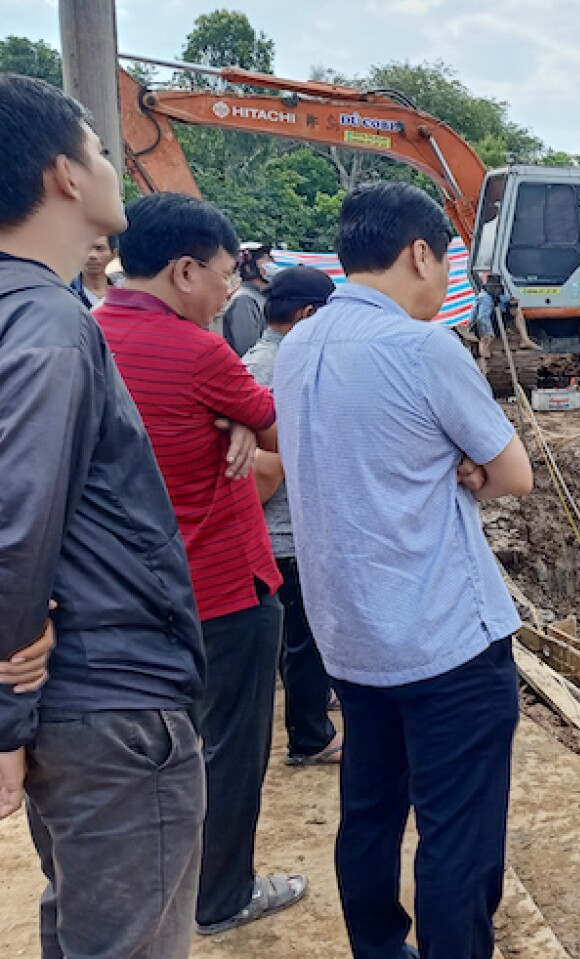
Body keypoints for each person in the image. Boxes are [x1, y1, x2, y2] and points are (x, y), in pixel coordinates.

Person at [274, 180, 534, 959]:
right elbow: (514, 471)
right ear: (420, 253)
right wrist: (467, 467)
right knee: (457, 835)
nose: (449, 280)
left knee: (371, 813)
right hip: (446, 640)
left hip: (350, 638)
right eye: (447, 261)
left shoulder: (297, 346)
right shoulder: (423, 348)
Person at [0, 73, 206, 959]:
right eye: (99, 149)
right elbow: (17, 519)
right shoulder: (48, 328)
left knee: (81, 924)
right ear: (64, 176)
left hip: (71, 703)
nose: (116, 165)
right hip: (109, 703)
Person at [95, 192, 305, 935]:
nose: (230, 290)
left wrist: (241, 431)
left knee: (163, 752)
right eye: (223, 274)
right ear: (184, 271)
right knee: (232, 747)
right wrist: (247, 433)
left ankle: (166, 887)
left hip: (130, 595)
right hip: (223, 586)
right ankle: (223, 894)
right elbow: (290, 435)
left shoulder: (89, 336)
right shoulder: (198, 351)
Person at [241, 265, 343, 768]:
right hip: (292, 527)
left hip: (257, 530)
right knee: (307, 635)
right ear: (307, 315)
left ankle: (313, 704)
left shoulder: (247, 362)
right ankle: (311, 736)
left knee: (286, 634)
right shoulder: (294, 368)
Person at [220, 240, 276, 357]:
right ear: (249, 268)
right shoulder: (244, 300)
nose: (272, 263)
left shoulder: (261, 297)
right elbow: (247, 351)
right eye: (266, 259)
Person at [68, 233, 114, 308]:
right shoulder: (67, 293)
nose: (92, 255)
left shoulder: (122, 294)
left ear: (114, 254)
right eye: (86, 248)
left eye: (99, 248)